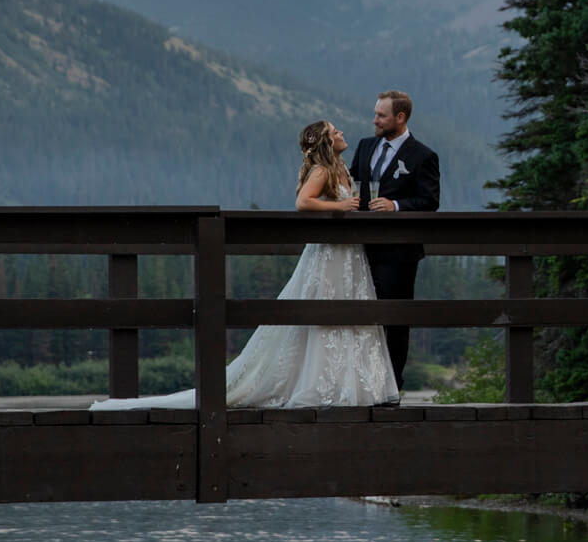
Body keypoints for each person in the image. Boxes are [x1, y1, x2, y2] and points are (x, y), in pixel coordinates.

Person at [90, 120, 396, 410]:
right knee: (326, 312)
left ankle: (352, 385)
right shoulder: (321, 171)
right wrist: (340, 206)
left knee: (351, 311)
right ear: (328, 141)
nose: (341, 132)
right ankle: (322, 384)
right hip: (330, 254)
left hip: (349, 253)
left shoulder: (340, 167)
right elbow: (303, 202)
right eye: (334, 130)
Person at [347, 90, 441, 393]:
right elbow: (350, 184)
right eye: (375, 113)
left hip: (399, 253)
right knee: (357, 317)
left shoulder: (423, 156)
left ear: (400, 118)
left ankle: (392, 388)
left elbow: (429, 201)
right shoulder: (365, 146)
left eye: (381, 115)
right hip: (360, 248)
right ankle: (360, 385)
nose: (374, 120)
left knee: (395, 322)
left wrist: (396, 207)